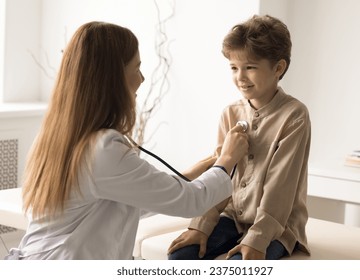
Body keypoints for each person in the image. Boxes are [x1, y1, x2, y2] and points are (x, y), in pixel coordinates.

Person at [5, 21, 248, 260]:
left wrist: (190, 174)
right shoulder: (103, 149)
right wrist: (226, 160)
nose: (141, 79)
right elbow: (190, 202)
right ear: (113, 77)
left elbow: (126, 195)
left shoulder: (55, 134)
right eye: (136, 68)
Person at [168, 14, 311, 260]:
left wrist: (257, 240)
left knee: (239, 266)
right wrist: (200, 225)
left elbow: (281, 187)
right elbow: (220, 174)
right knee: (180, 257)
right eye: (234, 68)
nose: (240, 77)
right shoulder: (230, 113)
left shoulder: (294, 116)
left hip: (276, 227)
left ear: (278, 68)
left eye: (250, 67)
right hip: (233, 218)